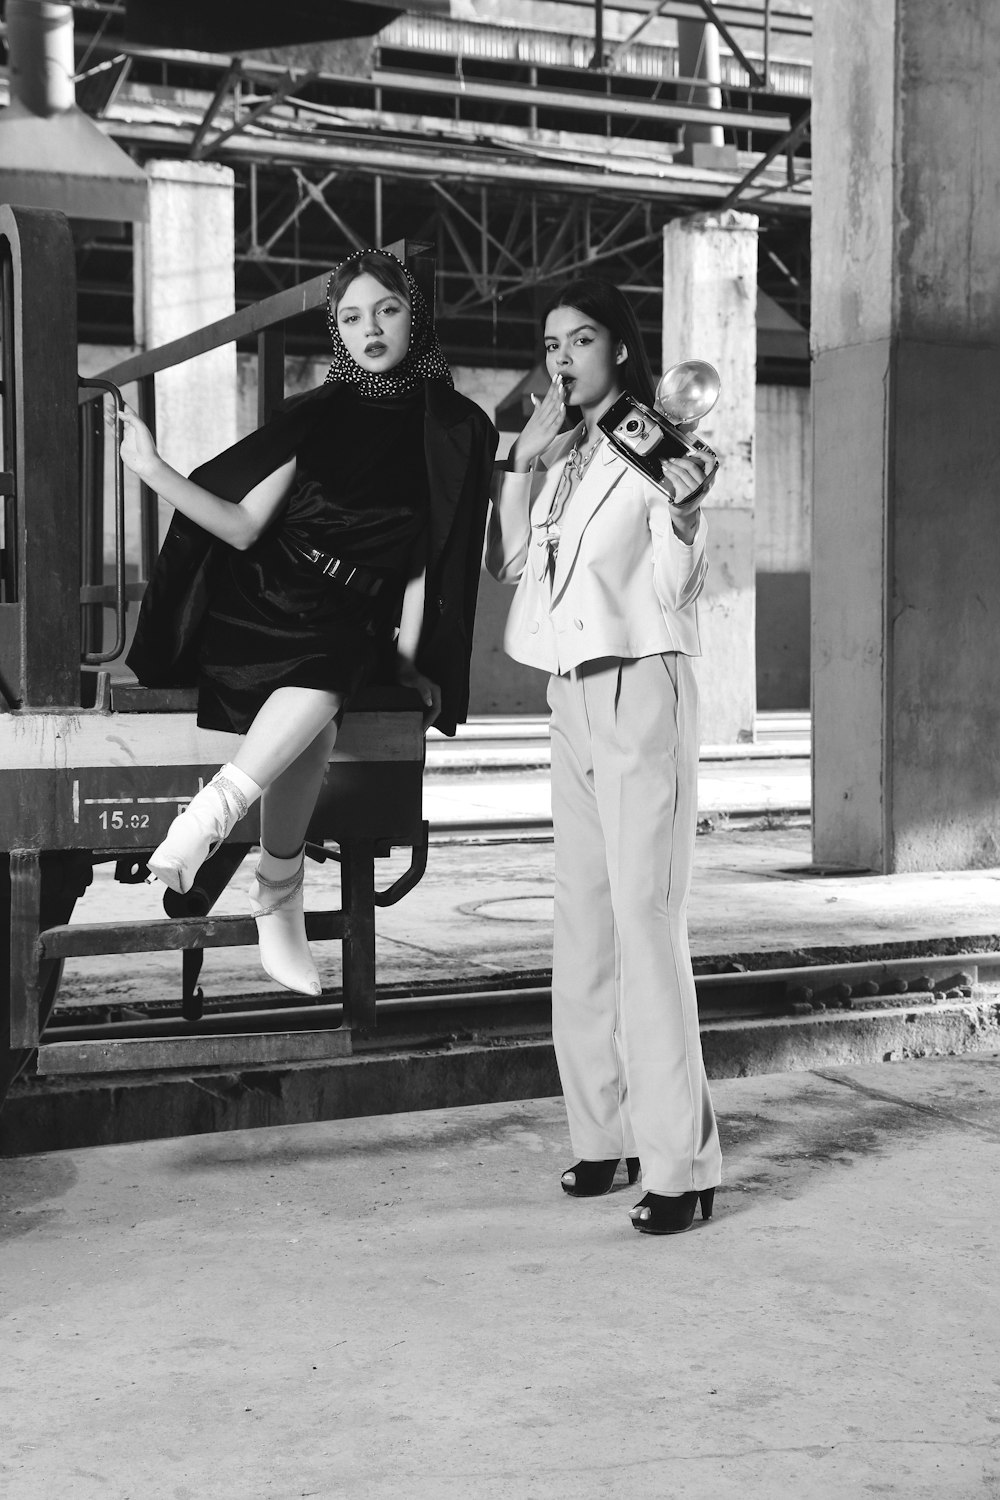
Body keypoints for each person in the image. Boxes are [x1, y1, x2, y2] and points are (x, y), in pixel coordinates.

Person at [117, 248, 497, 998]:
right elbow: (240, 526)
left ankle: (244, 855)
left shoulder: (452, 428)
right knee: (322, 696)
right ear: (338, 332)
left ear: (414, 315)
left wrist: (414, 662)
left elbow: (430, 559)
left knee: (330, 680)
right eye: (351, 317)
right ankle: (270, 886)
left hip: (352, 616)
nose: (371, 328)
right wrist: (154, 469)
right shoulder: (317, 415)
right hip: (264, 598)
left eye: (387, 310)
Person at [486, 277, 722, 1236]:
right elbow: (513, 567)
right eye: (551, 344)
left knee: (643, 920)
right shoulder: (571, 457)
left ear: (620, 349)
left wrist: (686, 510)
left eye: (580, 340)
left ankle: (682, 1165)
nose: (562, 357)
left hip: (637, 687)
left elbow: (678, 579)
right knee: (581, 920)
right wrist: (520, 462)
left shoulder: (653, 446)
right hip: (569, 696)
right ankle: (603, 1134)